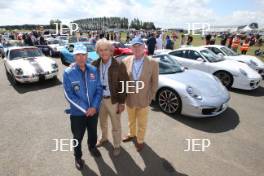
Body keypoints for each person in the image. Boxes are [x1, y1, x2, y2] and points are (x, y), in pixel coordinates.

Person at [63, 44, 103, 170]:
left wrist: (94, 107)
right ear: (74, 56)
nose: (81, 58)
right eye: (78, 55)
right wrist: (86, 109)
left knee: (93, 132)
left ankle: (92, 147)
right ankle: (78, 156)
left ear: (87, 55)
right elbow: (69, 95)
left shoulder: (93, 70)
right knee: (77, 137)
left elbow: (99, 90)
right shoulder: (68, 73)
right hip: (77, 114)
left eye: (83, 55)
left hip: (93, 112)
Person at [92, 39, 129, 156]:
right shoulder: (95, 64)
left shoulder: (118, 64)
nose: (104, 52)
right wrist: (74, 65)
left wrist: (122, 102)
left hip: (113, 100)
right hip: (99, 100)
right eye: (101, 50)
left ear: (111, 51)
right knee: (102, 122)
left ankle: (117, 145)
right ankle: (104, 138)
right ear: (98, 51)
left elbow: (124, 84)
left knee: (116, 125)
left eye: (106, 49)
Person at [122, 37, 159, 152]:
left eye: (139, 46)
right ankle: (131, 134)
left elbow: (155, 82)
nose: (137, 48)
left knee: (142, 122)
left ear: (144, 47)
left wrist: (151, 97)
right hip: (130, 99)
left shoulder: (153, 62)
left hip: (144, 99)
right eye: (134, 46)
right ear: (131, 48)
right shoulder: (126, 60)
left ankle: (140, 140)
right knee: (131, 119)